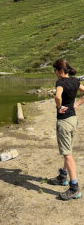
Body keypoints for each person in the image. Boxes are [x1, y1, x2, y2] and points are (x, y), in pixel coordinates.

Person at [48, 59, 84, 200]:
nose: (55, 74)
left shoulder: (60, 82)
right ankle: (63, 176)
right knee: (67, 149)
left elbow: (58, 96)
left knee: (67, 155)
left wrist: (59, 106)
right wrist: (77, 105)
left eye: (55, 71)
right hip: (73, 120)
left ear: (60, 71)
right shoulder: (75, 81)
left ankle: (74, 188)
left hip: (64, 122)